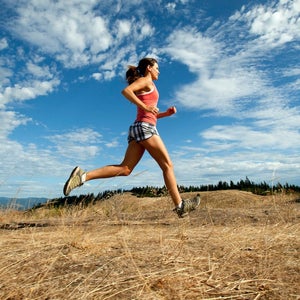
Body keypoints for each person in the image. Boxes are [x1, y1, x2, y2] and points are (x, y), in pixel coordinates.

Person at [63, 57, 200, 217]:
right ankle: (180, 206)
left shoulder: (149, 85)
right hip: (145, 128)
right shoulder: (146, 81)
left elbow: (149, 114)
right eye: (157, 68)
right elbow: (126, 92)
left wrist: (165, 114)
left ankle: (83, 176)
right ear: (149, 68)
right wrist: (145, 106)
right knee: (168, 166)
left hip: (139, 128)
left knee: (125, 169)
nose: (159, 71)